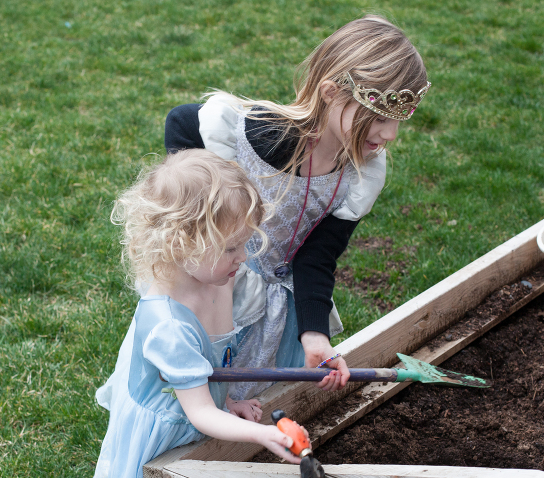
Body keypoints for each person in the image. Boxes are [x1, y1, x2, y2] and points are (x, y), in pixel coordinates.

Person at [164, 15, 430, 401]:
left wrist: (315, 334)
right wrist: (204, 228)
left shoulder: (361, 174)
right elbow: (182, 122)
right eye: (378, 116)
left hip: (276, 316)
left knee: (250, 407)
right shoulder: (250, 138)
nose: (389, 134)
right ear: (330, 93)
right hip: (212, 296)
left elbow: (316, 258)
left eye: (400, 119)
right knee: (191, 405)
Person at [90, 149, 303, 478]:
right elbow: (199, 411)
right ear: (180, 243)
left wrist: (226, 404)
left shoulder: (217, 280)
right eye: (230, 248)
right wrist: (261, 435)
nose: (243, 258)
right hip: (165, 427)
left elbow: (208, 375)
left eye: (243, 243)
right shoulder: (169, 325)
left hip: (193, 410)